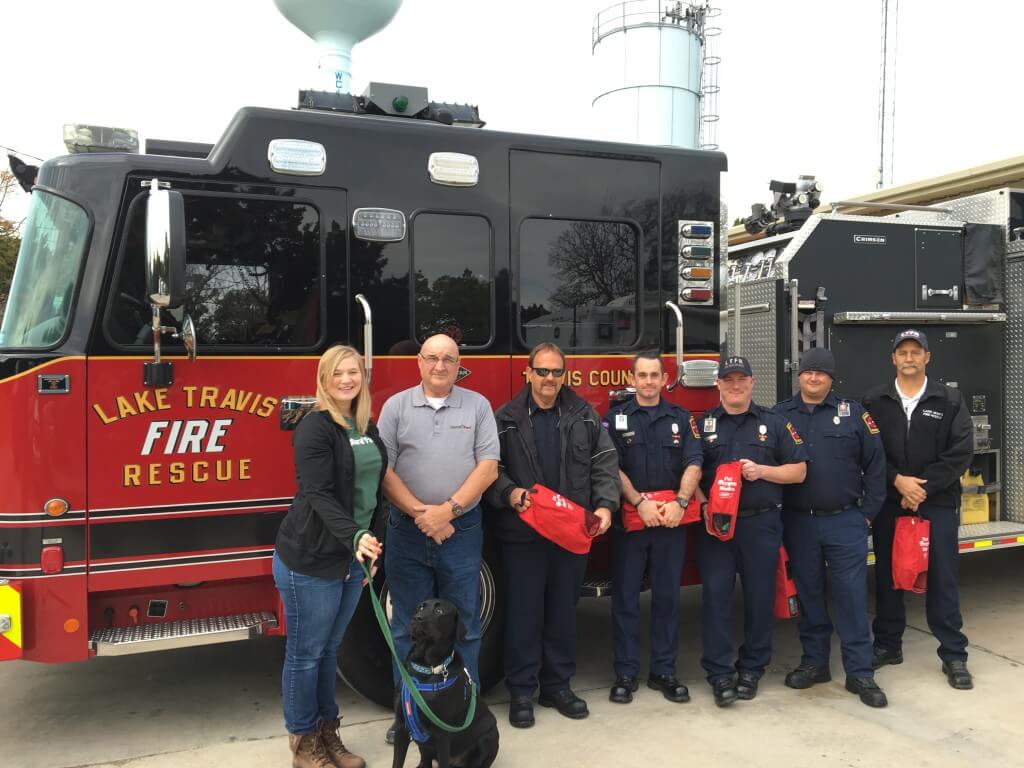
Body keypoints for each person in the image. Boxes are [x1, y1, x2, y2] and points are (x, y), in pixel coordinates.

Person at [485, 342, 618, 728]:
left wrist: (606, 505)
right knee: (523, 614)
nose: (548, 379)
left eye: (556, 372)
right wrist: (509, 493)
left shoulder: (584, 415)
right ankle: (522, 692)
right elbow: (490, 467)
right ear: (528, 373)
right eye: (541, 372)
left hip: (570, 535)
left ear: (565, 375)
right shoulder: (505, 418)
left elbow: (604, 463)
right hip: (522, 534)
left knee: (563, 612)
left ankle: (557, 686)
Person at [378, 333, 500, 741]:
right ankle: (408, 716)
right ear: (419, 361)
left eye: (448, 359)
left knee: (465, 626)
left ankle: (466, 716)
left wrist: (447, 511)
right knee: (405, 629)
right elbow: (384, 470)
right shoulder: (395, 407)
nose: (440, 366)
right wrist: (421, 514)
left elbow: (488, 468)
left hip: (460, 531)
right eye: (432, 358)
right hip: (407, 533)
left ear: (459, 363)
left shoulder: (478, 406)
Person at [273, 345, 385, 768]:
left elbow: (372, 492)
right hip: (311, 558)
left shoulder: (366, 427)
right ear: (324, 378)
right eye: (337, 373)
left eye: (353, 372)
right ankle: (303, 741)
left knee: (330, 649)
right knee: (306, 652)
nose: (346, 380)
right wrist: (355, 534)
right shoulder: (315, 427)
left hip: (351, 558)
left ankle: (327, 732)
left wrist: (372, 539)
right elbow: (317, 493)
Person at [773, 347, 888, 708]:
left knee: (851, 598)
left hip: (844, 522)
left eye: (821, 373)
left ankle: (860, 672)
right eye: (808, 372)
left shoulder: (854, 415)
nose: (813, 378)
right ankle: (815, 663)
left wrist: (865, 515)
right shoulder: (779, 416)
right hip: (798, 523)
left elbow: (877, 467)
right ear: (800, 375)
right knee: (809, 596)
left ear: (831, 378)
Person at [863, 329, 974, 690]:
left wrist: (920, 488)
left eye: (916, 352)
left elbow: (960, 452)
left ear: (927, 357)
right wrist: (898, 482)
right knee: (888, 577)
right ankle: (888, 645)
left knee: (942, 577)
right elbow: (869, 453)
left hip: (937, 502)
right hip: (891, 502)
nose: (908, 358)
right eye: (902, 352)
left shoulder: (950, 399)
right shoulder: (874, 401)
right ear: (893, 359)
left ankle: (954, 654)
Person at [696, 355, 807, 706]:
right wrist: (702, 505)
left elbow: (799, 471)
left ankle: (752, 668)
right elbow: (690, 470)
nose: (735, 385)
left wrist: (762, 472)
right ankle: (718, 672)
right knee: (715, 598)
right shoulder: (702, 425)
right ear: (718, 385)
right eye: (728, 380)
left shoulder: (774, 423)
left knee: (759, 598)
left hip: (761, 523)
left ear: (752, 382)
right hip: (717, 527)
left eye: (741, 378)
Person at [604, 350, 702, 705]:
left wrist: (680, 502)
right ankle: (626, 673)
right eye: (641, 375)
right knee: (626, 599)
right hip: (632, 522)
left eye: (654, 375)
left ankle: (664, 671)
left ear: (665, 379)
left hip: (671, 523)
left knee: (667, 599)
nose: (647, 382)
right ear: (632, 380)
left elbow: (694, 462)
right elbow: (610, 467)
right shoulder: (614, 419)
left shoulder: (681, 418)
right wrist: (639, 503)